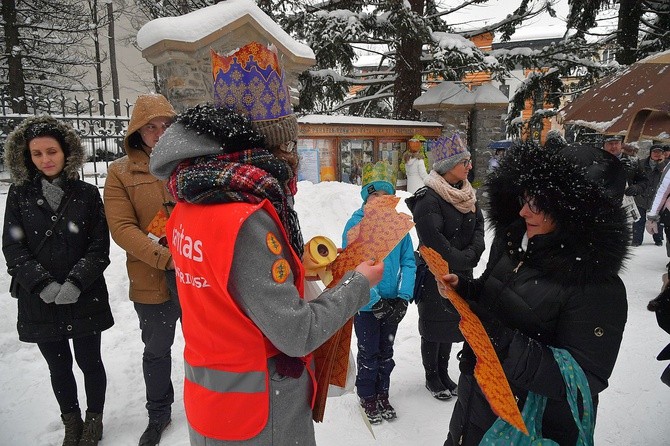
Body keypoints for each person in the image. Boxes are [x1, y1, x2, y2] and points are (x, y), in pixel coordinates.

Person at [148, 42, 384, 445]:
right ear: (261, 146)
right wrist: (358, 282)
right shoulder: (245, 217)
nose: (290, 159)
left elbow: (227, 293)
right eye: (286, 145)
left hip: (214, 399)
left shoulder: (189, 202)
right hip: (261, 412)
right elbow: (296, 333)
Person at [436, 143, 628, 445]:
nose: (524, 210)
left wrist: (501, 342)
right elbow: (493, 297)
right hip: (477, 405)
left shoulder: (596, 286)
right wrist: (463, 289)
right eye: (526, 198)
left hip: (532, 427)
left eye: (538, 204)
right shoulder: (515, 245)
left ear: (575, 213)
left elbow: (581, 380)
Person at [2, 116, 114, 446]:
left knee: (90, 362)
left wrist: (77, 282)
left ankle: (94, 420)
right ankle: (71, 421)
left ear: (66, 152)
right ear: (27, 157)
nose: (45, 159)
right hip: (39, 301)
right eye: (37, 154)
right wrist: (43, 285)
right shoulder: (19, 194)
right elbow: (13, 246)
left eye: (51, 151)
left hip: (85, 296)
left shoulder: (87, 193)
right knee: (59, 366)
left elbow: (99, 246)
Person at [103, 93, 180, 446]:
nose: (160, 133)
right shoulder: (120, 172)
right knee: (157, 349)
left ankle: (208, 400)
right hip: (152, 277)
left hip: (195, 275)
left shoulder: (188, 161)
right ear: (137, 131)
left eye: (166, 125)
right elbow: (121, 228)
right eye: (151, 127)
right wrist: (164, 257)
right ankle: (159, 413)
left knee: (206, 345)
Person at [405, 133, 485, 401]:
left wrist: (471, 256)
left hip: (462, 274)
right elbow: (432, 239)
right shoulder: (429, 198)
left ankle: (443, 371)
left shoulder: (467, 195)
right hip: (434, 274)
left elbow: (479, 230)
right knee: (433, 324)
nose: (469, 166)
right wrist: (462, 259)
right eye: (465, 161)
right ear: (449, 166)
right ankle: (432, 375)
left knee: (453, 322)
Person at [343, 161, 416, 424]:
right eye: (374, 195)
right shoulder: (356, 225)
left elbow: (409, 261)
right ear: (366, 197)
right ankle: (367, 396)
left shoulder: (398, 228)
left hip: (392, 301)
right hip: (366, 305)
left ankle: (382, 394)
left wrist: (403, 297)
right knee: (369, 353)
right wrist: (372, 300)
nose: (380, 200)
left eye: (385, 195)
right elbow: (350, 265)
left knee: (386, 353)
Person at [633, 144, 666, 246]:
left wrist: (661, 164)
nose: (657, 154)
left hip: (656, 198)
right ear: (650, 153)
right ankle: (636, 240)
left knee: (657, 220)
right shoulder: (641, 163)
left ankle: (658, 239)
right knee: (639, 221)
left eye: (659, 152)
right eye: (655, 152)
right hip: (641, 196)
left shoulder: (665, 165)